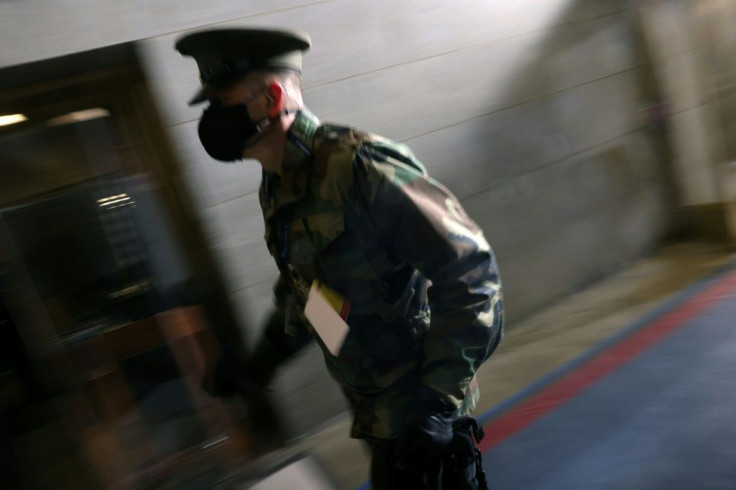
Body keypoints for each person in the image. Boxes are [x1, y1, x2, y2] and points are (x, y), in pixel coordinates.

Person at [175, 27, 503, 489]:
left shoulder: (359, 165)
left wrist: (437, 401)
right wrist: (260, 364)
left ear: (270, 99)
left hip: (423, 416)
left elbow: (472, 275)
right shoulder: (279, 185)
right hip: (376, 414)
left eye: (222, 102)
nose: (212, 118)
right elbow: (313, 297)